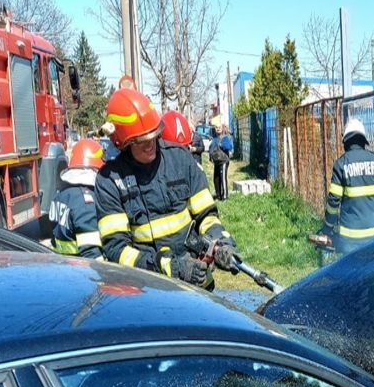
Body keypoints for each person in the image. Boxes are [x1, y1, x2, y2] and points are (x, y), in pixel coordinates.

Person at [94, 88, 239, 290]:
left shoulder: (180, 159)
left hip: (197, 284)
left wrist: (220, 242)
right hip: (148, 291)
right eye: (141, 141)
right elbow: (117, 250)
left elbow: (207, 215)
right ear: (122, 143)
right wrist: (167, 267)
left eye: (154, 135)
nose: (150, 144)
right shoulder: (110, 181)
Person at [320, 118, 374, 255]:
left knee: (351, 273)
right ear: (363, 140)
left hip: (348, 241)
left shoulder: (341, 164)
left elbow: (333, 202)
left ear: (346, 141)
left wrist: (327, 227)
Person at [49, 138, 105, 258]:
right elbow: (91, 252)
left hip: (62, 263)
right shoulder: (85, 203)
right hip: (81, 268)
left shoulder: (61, 195)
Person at [209, 118, 233, 200]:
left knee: (223, 178)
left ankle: (225, 196)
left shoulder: (225, 137)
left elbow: (230, 147)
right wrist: (210, 156)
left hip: (223, 161)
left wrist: (222, 145)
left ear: (222, 128)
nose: (218, 128)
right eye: (216, 127)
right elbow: (211, 149)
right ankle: (218, 195)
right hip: (216, 162)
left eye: (219, 127)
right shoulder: (214, 138)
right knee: (216, 178)